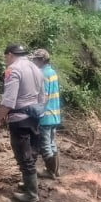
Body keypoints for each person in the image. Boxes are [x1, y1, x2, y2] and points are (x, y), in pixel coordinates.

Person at [0, 44, 46, 202]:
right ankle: (29, 183)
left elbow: (9, 99)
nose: (5, 60)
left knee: (23, 155)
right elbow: (43, 96)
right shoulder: (36, 68)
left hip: (19, 118)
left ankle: (31, 194)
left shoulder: (13, 69)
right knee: (32, 152)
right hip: (35, 116)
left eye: (5, 57)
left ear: (9, 54)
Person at [31, 48, 62, 178]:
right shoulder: (52, 72)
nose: (34, 61)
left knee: (45, 146)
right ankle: (56, 170)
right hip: (55, 115)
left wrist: (38, 111)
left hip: (46, 116)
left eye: (36, 59)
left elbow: (45, 96)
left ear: (42, 60)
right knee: (52, 143)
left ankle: (50, 171)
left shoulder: (43, 74)